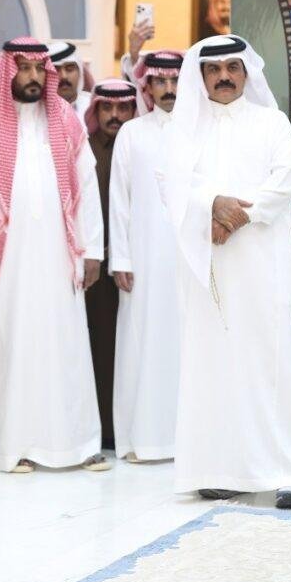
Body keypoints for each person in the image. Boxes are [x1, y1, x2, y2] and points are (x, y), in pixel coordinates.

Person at [162, 34, 291, 509]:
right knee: (213, 364)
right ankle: (219, 470)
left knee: (271, 362)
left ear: (246, 73)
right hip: (207, 263)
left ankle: (287, 473)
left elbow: (286, 177)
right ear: (201, 75)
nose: (223, 76)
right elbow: (171, 181)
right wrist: (212, 205)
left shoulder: (271, 121)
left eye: (232, 67)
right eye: (214, 69)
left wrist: (237, 216)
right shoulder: (184, 129)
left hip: (262, 262)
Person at [0, 37, 107, 474]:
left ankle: (77, 444)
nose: (32, 77)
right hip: (4, 260)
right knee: (9, 346)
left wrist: (93, 250)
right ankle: (12, 446)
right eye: (23, 68)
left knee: (66, 346)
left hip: (60, 254)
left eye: (39, 69)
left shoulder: (67, 121)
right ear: (8, 71)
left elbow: (87, 188)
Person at [109, 51, 183, 463]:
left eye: (175, 81)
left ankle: (184, 440)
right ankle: (140, 439)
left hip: (188, 260)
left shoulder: (198, 130)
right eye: (160, 81)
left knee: (184, 344)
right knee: (141, 342)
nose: (169, 89)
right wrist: (121, 258)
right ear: (147, 86)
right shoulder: (132, 133)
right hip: (142, 259)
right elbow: (119, 199)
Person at [83, 79, 138, 450]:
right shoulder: (84, 149)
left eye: (123, 108)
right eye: (107, 108)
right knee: (99, 348)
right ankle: (104, 430)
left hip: (138, 267)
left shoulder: (141, 148)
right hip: (95, 272)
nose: (114, 116)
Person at [48, 42, 94, 122]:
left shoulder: (93, 106)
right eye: (56, 70)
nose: (64, 76)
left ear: (80, 73)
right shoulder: (36, 110)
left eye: (70, 69)